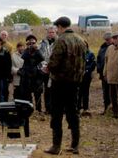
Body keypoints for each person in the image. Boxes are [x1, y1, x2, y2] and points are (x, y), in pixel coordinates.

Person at [44, 16, 86, 155]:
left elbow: (55, 61)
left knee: (56, 113)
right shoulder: (81, 40)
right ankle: (75, 145)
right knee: (73, 112)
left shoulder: (61, 40)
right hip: (75, 82)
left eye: (57, 28)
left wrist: (47, 68)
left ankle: (56, 146)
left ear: (60, 27)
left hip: (60, 82)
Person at [19, 35, 44, 110]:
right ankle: (29, 108)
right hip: (27, 76)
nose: (31, 45)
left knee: (37, 94)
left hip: (37, 75)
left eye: (33, 43)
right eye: (29, 43)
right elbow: (23, 58)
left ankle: (38, 109)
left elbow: (42, 59)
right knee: (27, 94)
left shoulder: (38, 51)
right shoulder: (25, 51)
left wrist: (36, 50)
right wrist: (28, 49)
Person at [104, 32, 118, 118]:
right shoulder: (109, 48)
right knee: (112, 95)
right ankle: (115, 112)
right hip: (111, 75)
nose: (115, 39)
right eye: (114, 38)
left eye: (117, 38)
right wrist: (105, 72)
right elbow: (106, 61)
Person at [39, 25, 57, 113]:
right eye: (49, 32)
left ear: (55, 33)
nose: (51, 34)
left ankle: (56, 108)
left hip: (56, 70)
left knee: (55, 90)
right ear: (47, 33)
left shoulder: (59, 42)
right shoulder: (42, 43)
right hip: (45, 70)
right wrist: (45, 67)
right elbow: (40, 56)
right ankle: (48, 108)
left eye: (53, 32)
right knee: (47, 89)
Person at [78, 40, 96, 116]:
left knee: (85, 91)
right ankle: (78, 107)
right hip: (78, 76)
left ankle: (86, 107)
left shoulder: (90, 54)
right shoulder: (77, 53)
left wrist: (86, 70)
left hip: (87, 75)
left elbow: (93, 64)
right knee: (78, 92)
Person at [96, 32, 112, 115]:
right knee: (105, 92)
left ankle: (113, 109)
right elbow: (98, 59)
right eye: (106, 40)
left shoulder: (114, 48)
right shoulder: (102, 48)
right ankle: (106, 108)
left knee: (112, 92)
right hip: (103, 74)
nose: (107, 41)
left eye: (108, 39)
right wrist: (99, 69)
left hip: (111, 74)